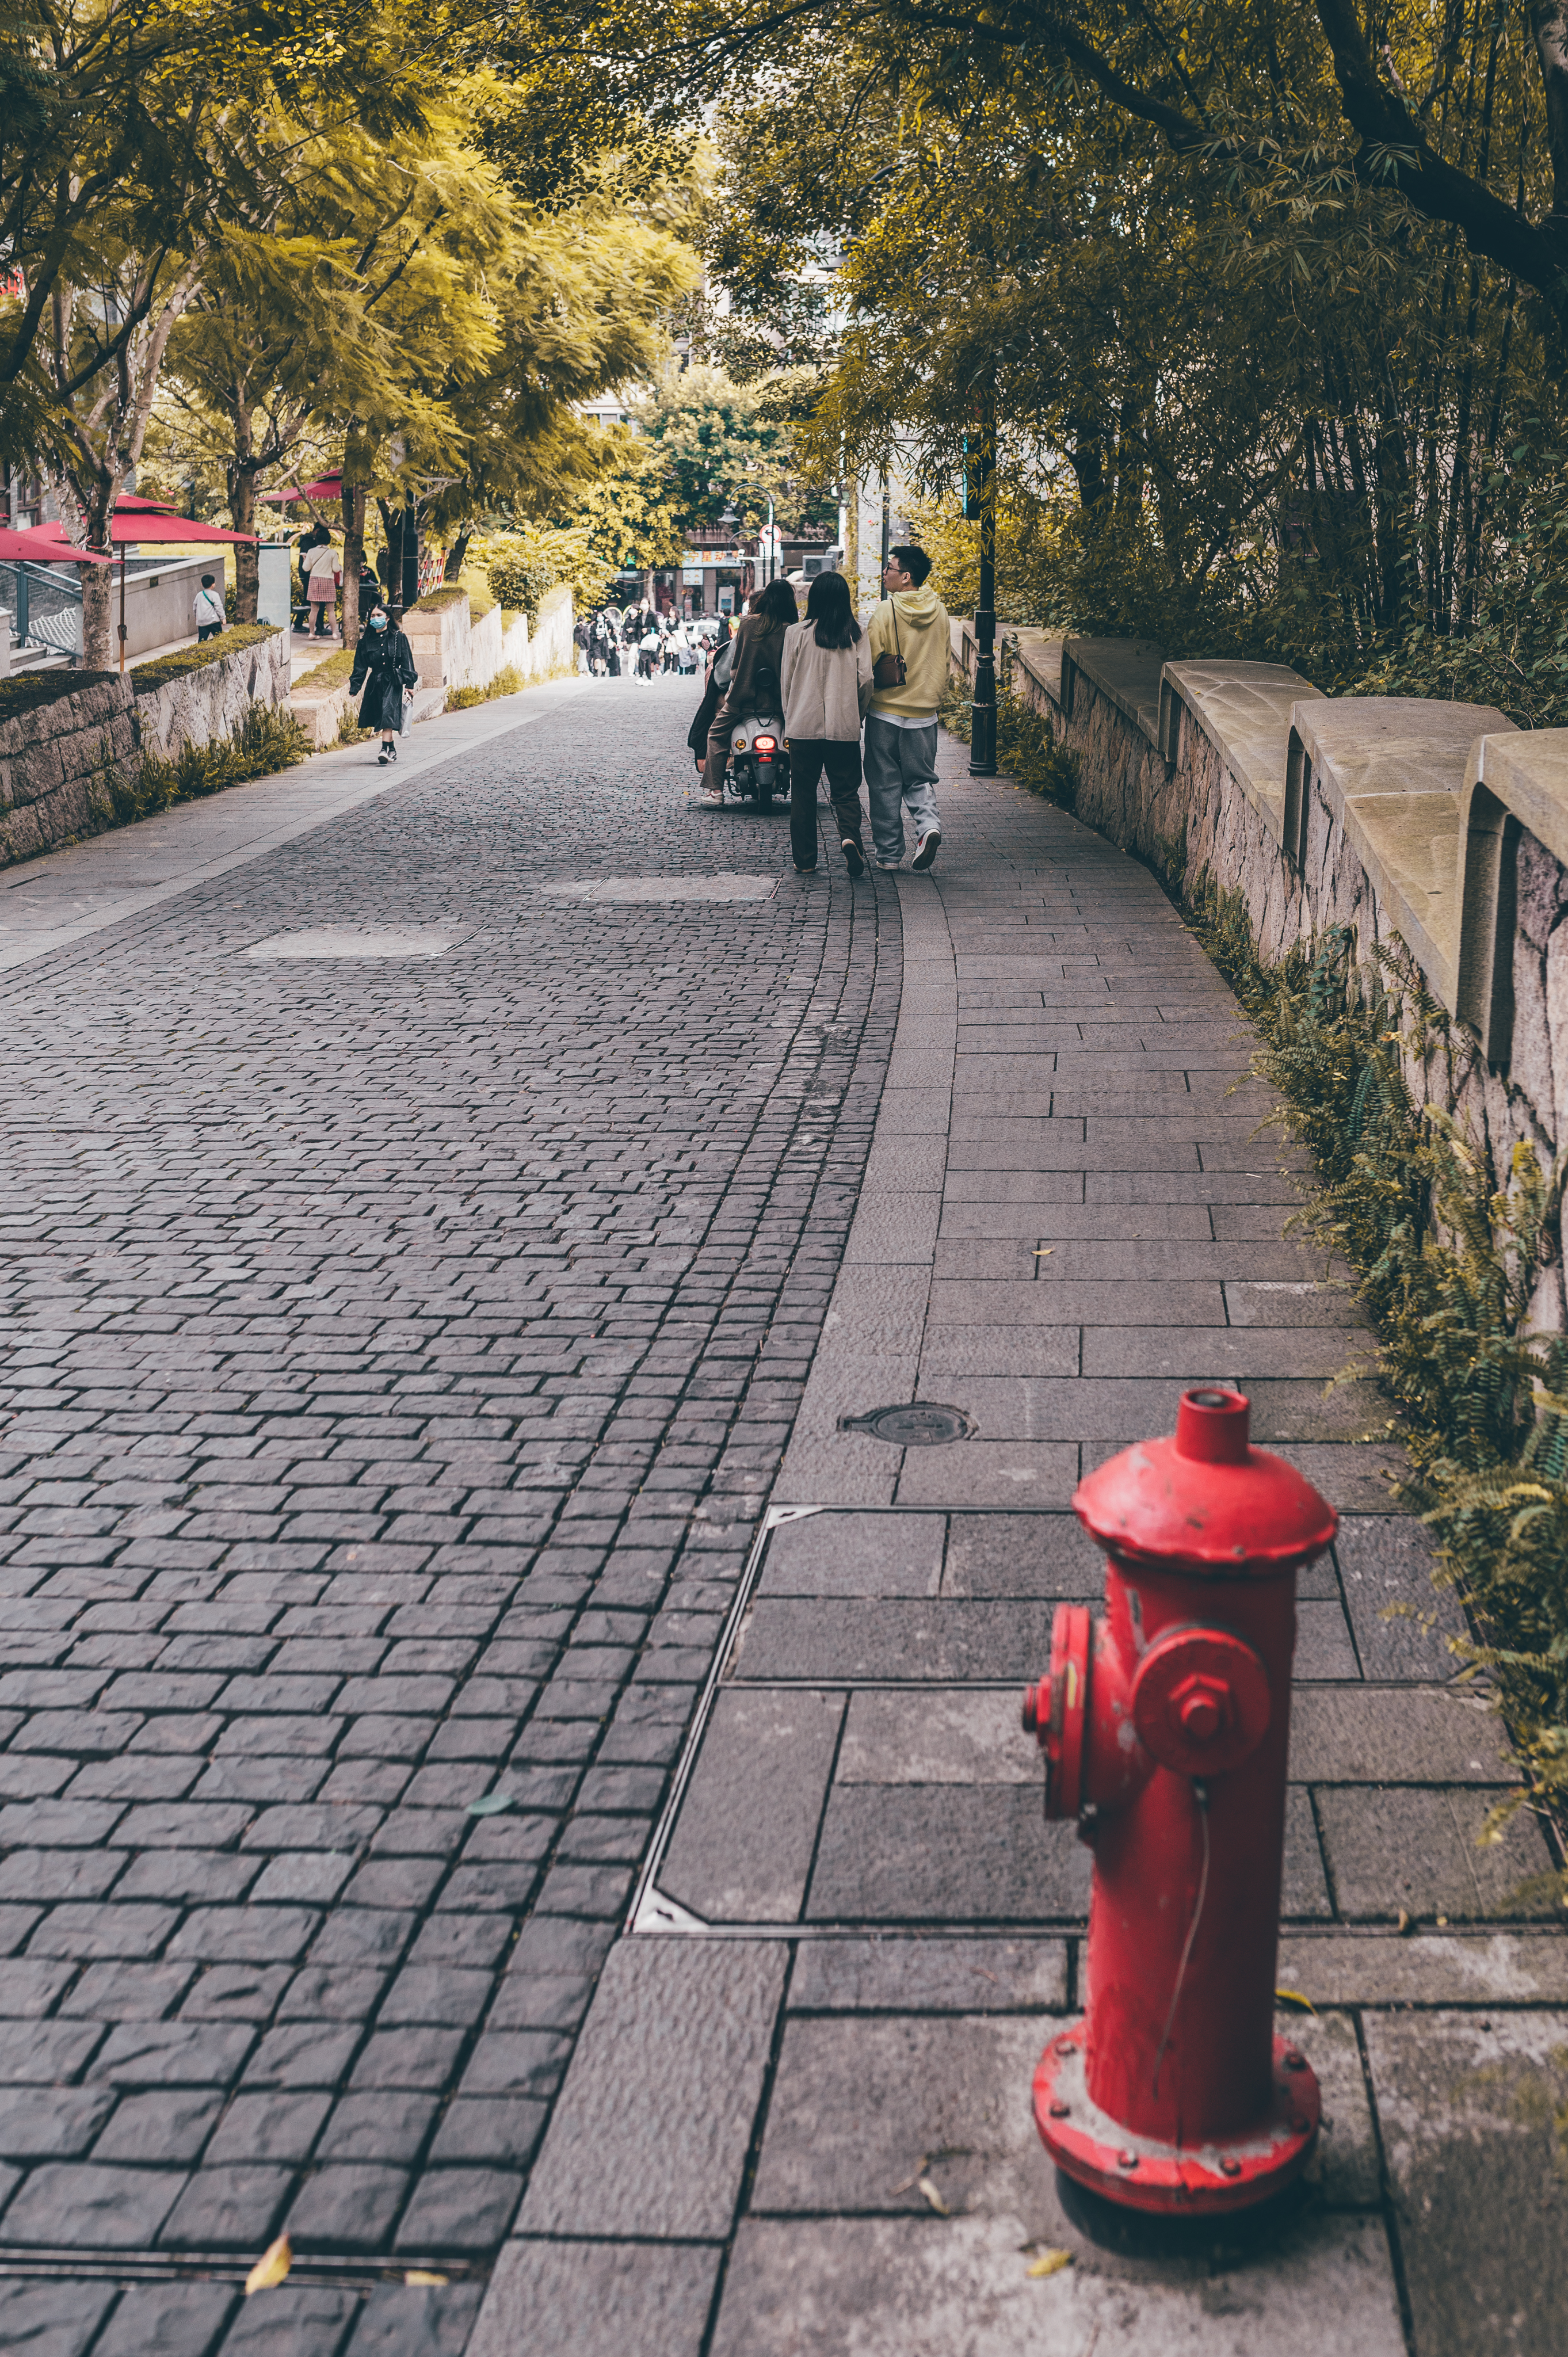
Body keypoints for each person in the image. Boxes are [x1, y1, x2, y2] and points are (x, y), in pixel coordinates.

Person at [780, 568, 873, 875]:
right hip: (842, 727)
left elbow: (787, 683)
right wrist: (855, 715)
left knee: (803, 794)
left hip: (803, 727)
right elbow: (866, 680)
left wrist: (789, 719)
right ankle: (850, 838)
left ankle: (805, 860)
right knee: (846, 791)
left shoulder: (795, 633)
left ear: (815, 599)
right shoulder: (856, 633)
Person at [865, 543, 949, 871]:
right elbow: (944, 657)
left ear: (906, 577)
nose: (885, 573)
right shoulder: (940, 611)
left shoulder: (887, 611)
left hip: (886, 710)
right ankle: (928, 827)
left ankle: (888, 855)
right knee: (919, 778)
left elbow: (869, 661)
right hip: (925, 713)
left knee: (884, 782)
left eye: (890, 568)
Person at [701, 577, 798, 805]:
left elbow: (733, 665)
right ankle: (806, 788)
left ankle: (715, 791)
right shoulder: (793, 629)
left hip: (742, 700)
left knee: (716, 735)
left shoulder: (747, 624)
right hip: (782, 703)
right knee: (804, 740)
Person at [349, 602, 417, 765]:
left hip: (393, 681)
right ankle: (392, 749)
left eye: (379, 615)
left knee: (388, 713)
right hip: (375, 683)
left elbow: (407, 661)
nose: (376, 618)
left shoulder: (398, 637)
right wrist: (355, 686)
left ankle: (383, 750)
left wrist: (409, 685)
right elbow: (360, 666)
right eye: (373, 616)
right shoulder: (365, 642)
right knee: (382, 715)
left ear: (387, 618)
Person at [303, 533, 342, 639]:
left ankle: (311, 633)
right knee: (331, 610)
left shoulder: (311, 551)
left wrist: (304, 559)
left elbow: (306, 568)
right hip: (328, 581)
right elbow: (336, 569)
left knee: (314, 610)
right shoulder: (332, 553)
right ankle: (334, 634)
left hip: (314, 581)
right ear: (328, 540)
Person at [192, 574, 225, 643]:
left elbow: (195, 607)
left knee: (202, 640)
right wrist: (223, 618)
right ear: (213, 585)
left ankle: (200, 652)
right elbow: (219, 607)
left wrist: (196, 616)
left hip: (202, 622)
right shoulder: (215, 595)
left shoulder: (199, 595)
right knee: (220, 639)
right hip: (213, 621)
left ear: (202, 584)